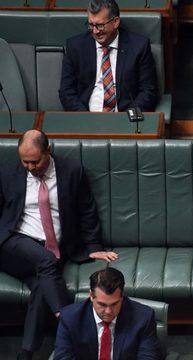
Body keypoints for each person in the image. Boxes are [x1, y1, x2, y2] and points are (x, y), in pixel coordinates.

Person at [0, 129, 118, 360]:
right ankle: (70, 323)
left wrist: (93, 247)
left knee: (40, 285)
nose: (30, 167)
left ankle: (26, 352)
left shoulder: (71, 170)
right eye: (25, 161)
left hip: (54, 247)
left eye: (35, 161)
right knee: (46, 261)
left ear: (48, 151)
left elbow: (87, 210)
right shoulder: (8, 172)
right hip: (14, 243)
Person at [59, 0, 157, 112]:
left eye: (100, 25)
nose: (95, 31)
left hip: (124, 117)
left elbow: (148, 91)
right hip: (86, 115)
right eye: (91, 25)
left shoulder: (139, 46)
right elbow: (66, 91)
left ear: (115, 22)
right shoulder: (75, 46)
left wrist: (128, 117)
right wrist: (84, 117)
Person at [54, 267, 163, 360]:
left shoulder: (143, 317)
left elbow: (148, 356)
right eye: (102, 304)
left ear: (122, 297)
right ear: (91, 296)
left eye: (114, 304)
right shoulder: (70, 318)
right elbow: (63, 357)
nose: (108, 311)